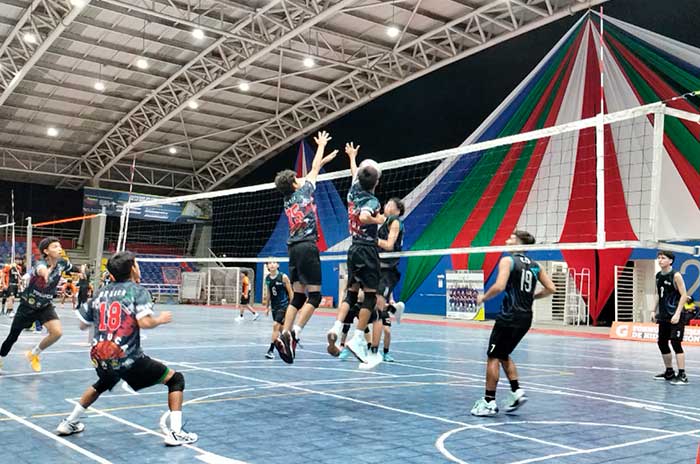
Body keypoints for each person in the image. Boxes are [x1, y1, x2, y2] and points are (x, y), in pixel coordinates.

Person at [56, 251, 197, 446]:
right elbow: (145, 322)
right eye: (137, 264)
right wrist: (160, 319)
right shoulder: (137, 291)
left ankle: (69, 422)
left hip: (100, 355)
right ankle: (175, 433)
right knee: (176, 379)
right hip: (128, 357)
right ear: (132, 269)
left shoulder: (99, 292)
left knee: (102, 383)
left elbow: (82, 324)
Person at [470, 230, 556, 416]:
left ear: (518, 242)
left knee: (493, 356)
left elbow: (500, 286)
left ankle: (489, 402)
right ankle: (516, 391)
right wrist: (533, 296)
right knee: (503, 353)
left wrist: (483, 298)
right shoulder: (536, 266)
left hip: (509, 316)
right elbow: (551, 288)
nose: (506, 240)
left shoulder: (508, 261)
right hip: (525, 317)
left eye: (510, 238)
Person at [273, 130, 337, 363]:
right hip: (308, 247)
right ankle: (295, 334)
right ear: (294, 182)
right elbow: (314, 170)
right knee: (316, 297)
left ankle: (283, 334)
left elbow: (314, 170)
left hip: (292, 249)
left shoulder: (287, 198)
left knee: (297, 298)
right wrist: (320, 146)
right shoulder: (305, 190)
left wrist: (324, 160)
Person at [326, 143, 385, 368]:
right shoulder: (372, 201)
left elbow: (355, 175)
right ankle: (358, 337)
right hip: (368, 250)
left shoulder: (353, 190)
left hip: (353, 250)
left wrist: (352, 158)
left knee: (351, 294)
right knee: (370, 297)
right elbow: (363, 217)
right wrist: (377, 220)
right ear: (376, 182)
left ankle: (337, 326)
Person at [0, 237, 72, 372]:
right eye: (55, 247)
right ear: (46, 251)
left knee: (57, 332)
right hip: (28, 306)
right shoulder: (40, 264)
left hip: (45, 306)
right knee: (12, 337)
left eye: (60, 246)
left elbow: (73, 268)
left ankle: (34, 353)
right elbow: (41, 270)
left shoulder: (63, 263)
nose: (59, 249)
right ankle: (1, 356)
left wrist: (83, 270)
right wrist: (46, 274)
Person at [373, 198, 407, 362]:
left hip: (388, 269)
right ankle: (394, 309)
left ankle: (374, 352)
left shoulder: (395, 222)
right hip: (379, 268)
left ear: (398, 210)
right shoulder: (386, 220)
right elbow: (373, 218)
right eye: (386, 203)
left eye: (390, 204)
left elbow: (389, 246)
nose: (386, 205)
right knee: (365, 299)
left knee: (378, 308)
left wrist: (372, 240)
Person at [652, 250, 689, 385]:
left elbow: (684, 295)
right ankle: (669, 372)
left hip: (676, 314)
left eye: (663, 258)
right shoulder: (658, 276)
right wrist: (653, 310)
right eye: (659, 258)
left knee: (675, 343)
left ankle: (682, 374)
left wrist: (678, 313)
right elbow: (657, 294)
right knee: (662, 342)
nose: (660, 260)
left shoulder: (676, 275)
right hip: (664, 315)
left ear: (670, 261)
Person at [263, 261, 292, 359]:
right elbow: (269, 293)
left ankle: (271, 350)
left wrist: (293, 307)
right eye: (269, 263)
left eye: (274, 262)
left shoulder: (283, 277)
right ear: (267, 266)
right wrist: (267, 307)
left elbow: (290, 292)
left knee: (275, 326)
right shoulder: (267, 279)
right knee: (281, 329)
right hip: (274, 307)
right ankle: (291, 341)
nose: (272, 264)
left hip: (284, 306)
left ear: (278, 265)